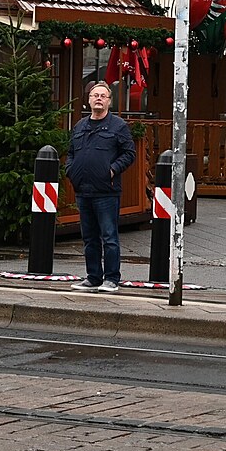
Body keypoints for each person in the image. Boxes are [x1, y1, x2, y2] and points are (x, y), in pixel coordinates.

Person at [65, 81, 135, 293]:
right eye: (95, 95)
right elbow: (71, 152)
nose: (98, 99)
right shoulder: (80, 126)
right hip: (83, 190)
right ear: (88, 100)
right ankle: (93, 277)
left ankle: (111, 279)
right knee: (89, 238)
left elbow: (129, 153)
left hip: (106, 192)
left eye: (103, 96)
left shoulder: (118, 126)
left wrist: (112, 170)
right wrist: (70, 170)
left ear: (109, 101)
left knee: (109, 237)